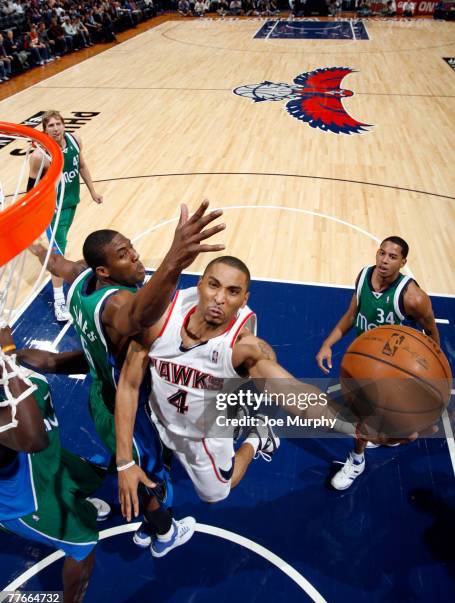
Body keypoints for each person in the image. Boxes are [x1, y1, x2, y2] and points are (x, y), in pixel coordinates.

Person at [30, 200, 225, 553]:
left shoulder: (80, 277)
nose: (135, 256)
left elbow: (54, 262)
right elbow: (138, 314)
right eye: (124, 254)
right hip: (127, 406)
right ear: (104, 271)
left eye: (131, 247)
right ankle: (163, 532)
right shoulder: (117, 305)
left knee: (147, 466)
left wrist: (24, 234)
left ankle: (149, 513)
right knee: (142, 476)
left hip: (101, 390)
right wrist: (175, 259)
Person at [116, 256, 287, 519]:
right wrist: (124, 461)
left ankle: (257, 435)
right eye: (213, 285)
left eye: (232, 292)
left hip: (205, 434)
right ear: (199, 285)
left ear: (244, 300)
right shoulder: (161, 319)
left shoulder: (244, 345)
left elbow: (294, 392)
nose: (219, 298)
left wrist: (347, 420)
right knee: (161, 463)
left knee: (216, 494)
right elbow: (128, 384)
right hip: (159, 416)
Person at [316, 236, 440, 490]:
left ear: (403, 262)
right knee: (366, 418)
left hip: (394, 368)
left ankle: (367, 452)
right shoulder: (363, 276)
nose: (384, 260)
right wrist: (328, 343)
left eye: (392, 257)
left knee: (388, 426)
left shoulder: (413, 298)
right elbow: (352, 315)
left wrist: (432, 372)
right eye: (381, 253)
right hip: (365, 361)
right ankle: (366, 450)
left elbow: (432, 333)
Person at [0, 327, 110, 603]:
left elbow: (59, 362)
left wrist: (110, 348)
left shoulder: (15, 357)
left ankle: (76, 501)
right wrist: (8, 363)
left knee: (95, 477)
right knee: (85, 545)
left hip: (49, 460)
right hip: (24, 500)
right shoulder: (8, 370)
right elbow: (32, 438)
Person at [28, 110, 103, 322]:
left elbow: (81, 166)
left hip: (71, 203)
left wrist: (92, 191)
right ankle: (59, 300)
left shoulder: (75, 140)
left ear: (64, 125)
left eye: (58, 124)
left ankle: (36, 250)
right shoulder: (39, 156)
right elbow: (30, 188)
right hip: (53, 211)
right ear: (44, 130)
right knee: (58, 254)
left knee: (58, 247)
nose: (55, 129)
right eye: (50, 126)